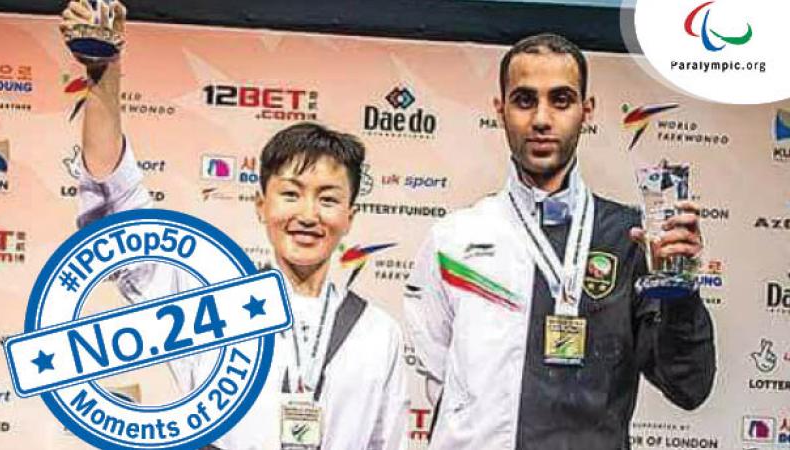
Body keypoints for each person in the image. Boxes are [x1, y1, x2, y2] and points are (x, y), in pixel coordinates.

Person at [59, 1, 407, 449]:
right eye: (291, 193)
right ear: (261, 205)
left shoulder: (379, 333)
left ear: (350, 217)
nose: (307, 214)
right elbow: (118, 207)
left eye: (328, 199)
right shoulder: (209, 304)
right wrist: (104, 72)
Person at [404, 33, 715, 450]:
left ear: (587, 111)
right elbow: (441, 380)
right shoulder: (454, 240)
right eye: (525, 100)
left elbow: (688, 387)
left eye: (561, 100)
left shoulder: (631, 240)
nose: (541, 119)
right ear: (501, 109)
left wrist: (680, 290)